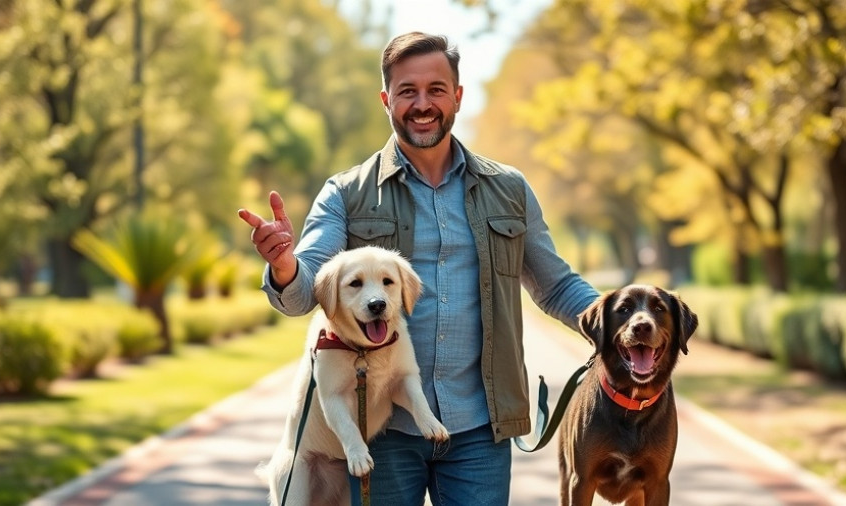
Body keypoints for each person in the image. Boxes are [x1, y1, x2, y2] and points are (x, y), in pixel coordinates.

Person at [238, 31, 599, 506]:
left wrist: (620, 324)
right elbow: (307, 291)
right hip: (381, 431)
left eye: (436, 89)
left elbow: (557, 287)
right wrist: (284, 266)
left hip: (480, 429)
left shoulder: (509, 189)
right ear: (386, 100)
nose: (422, 104)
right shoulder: (345, 193)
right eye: (407, 91)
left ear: (458, 97)